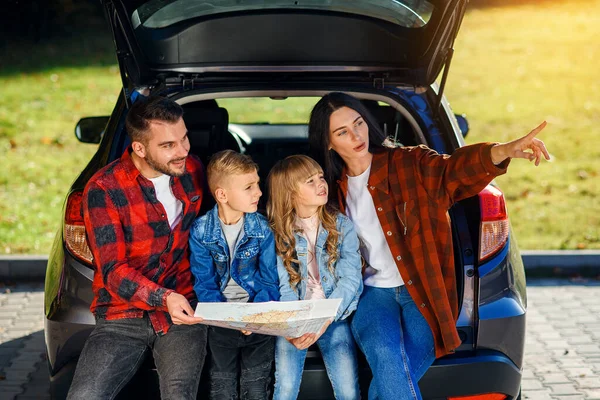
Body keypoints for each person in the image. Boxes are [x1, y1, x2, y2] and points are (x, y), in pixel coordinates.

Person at [307, 92, 550, 400]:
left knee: (392, 372)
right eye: (342, 132)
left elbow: (454, 171)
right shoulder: (328, 190)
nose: (356, 135)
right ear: (328, 143)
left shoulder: (410, 164)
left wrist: (504, 151)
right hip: (370, 294)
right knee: (385, 353)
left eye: (359, 123)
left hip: (422, 291)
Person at [68, 95, 207, 400]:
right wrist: (164, 297)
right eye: (168, 145)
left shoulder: (192, 170)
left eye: (184, 139)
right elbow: (114, 272)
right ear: (139, 148)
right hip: (122, 315)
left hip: (182, 313)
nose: (183, 151)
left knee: (179, 395)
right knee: (84, 396)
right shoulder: (104, 189)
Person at [267, 155, 364, 400]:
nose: (321, 183)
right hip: (295, 317)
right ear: (290, 193)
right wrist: (294, 326)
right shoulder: (276, 234)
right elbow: (284, 286)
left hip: (333, 315)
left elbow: (350, 279)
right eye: (309, 181)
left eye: (320, 177)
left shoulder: (341, 225)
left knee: (348, 389)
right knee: (285, 388)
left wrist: (324, 318)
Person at [189, 149, 280, 400]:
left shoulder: (262, 229)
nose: (259, 193)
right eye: (249, 187)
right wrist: (225, 317)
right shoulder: (200, 231)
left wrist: (255, 315)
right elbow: (204, 283)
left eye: (257, 184)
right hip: (220, 322)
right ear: (222, 195)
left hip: (258, 318)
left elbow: (269, 280)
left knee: (256, 386)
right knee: (222, 387)